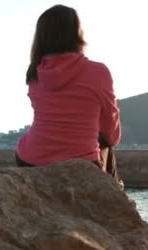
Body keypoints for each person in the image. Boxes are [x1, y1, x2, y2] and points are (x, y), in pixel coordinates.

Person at [15, 4, 123, 188]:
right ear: (76, 34)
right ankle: (114, 194)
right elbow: (112, 135)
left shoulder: (35, 73)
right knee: (106, 143)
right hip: (81, 164)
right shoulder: (99, 72)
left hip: (30, 159)